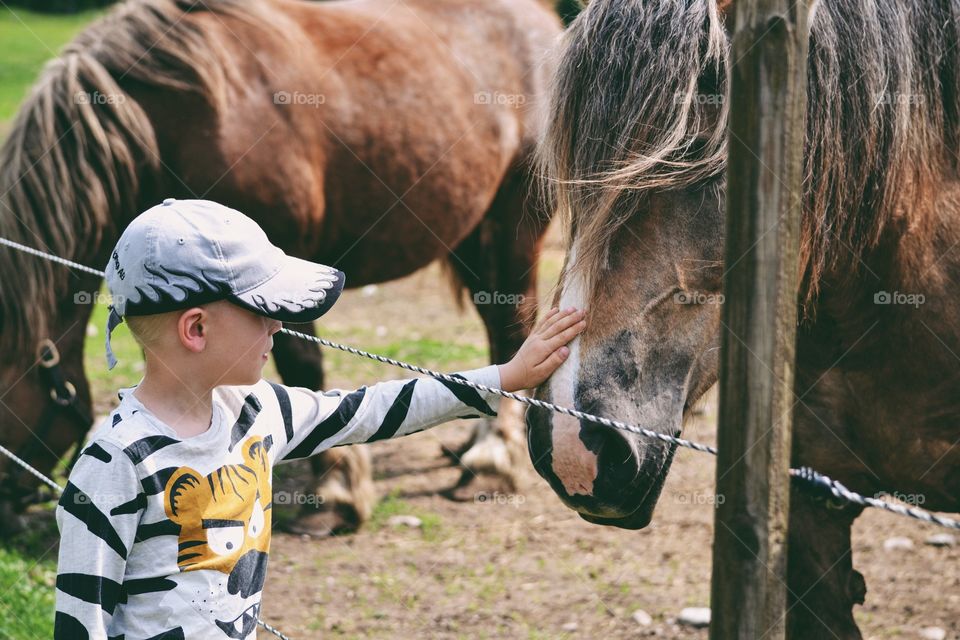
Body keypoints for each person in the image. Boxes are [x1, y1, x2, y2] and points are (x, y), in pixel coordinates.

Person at [53, 198, 587, 639]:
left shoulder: (258, 412)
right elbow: (81, 624)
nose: (279, 327)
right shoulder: (113, 465)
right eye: (263, 309)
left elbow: (373, 411)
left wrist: (504, 378)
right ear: (196, 329)